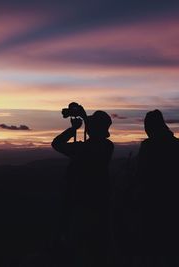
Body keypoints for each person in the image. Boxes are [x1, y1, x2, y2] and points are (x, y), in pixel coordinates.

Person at [52, 103, 114, 267]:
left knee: (81, 248)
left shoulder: (87, 148)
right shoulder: (107, 146)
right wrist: (85, 118)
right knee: (96, 249)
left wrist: (74, 128)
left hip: (82, 205)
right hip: (100, 203)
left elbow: (57, 143)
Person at [135, 109, 179, 267]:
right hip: (172, 204)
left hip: (152, 205)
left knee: (152, 250)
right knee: (169, 250)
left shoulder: (148, 146)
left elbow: (141, 174)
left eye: (147, 126)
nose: (146, 129)